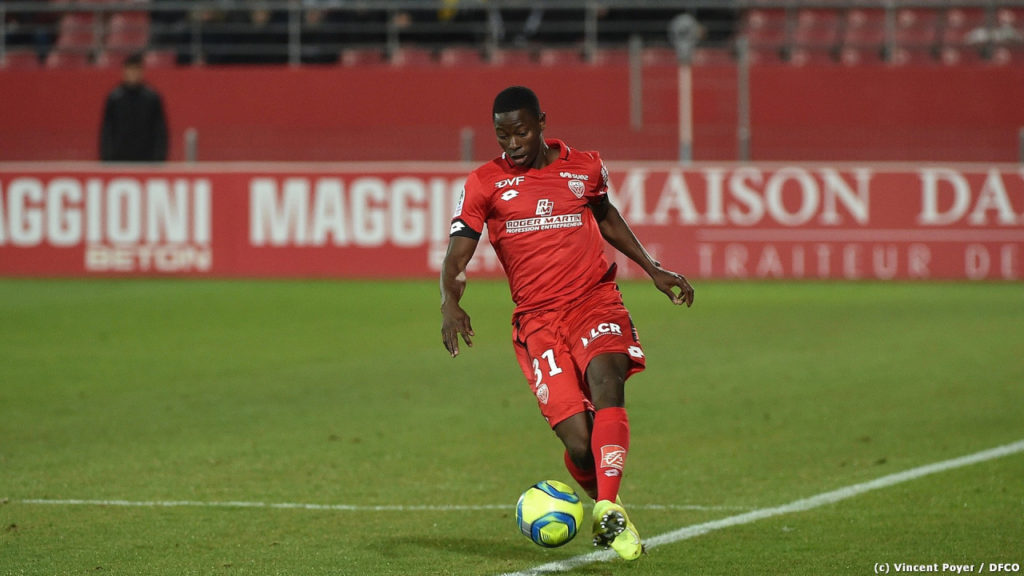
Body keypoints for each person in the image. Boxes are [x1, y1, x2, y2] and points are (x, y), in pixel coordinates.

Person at [440, 86, 694, 561]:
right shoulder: (484, 183)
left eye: (521, 132)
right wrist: (449, 302)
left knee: (607, 379)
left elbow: (606, 216)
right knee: (580, 445)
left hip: (594, 300)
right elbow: (457, 255)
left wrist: (653, 267)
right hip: (538, 321)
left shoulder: (585, 167)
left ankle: (606, 507)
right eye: (502, 136)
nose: (512, 144)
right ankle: (612, 510)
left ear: (541, 123)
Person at [99, 52, 168, 162]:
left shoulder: (152, 97)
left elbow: (160, 130)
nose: (133, 74)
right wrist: (106, 157)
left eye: (136, 70)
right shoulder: (115, 97)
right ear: (124, 71)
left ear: (142, 72)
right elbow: (107, 129)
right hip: (118, 158)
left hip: (147, 159)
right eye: (130, 70)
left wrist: (159, 158)